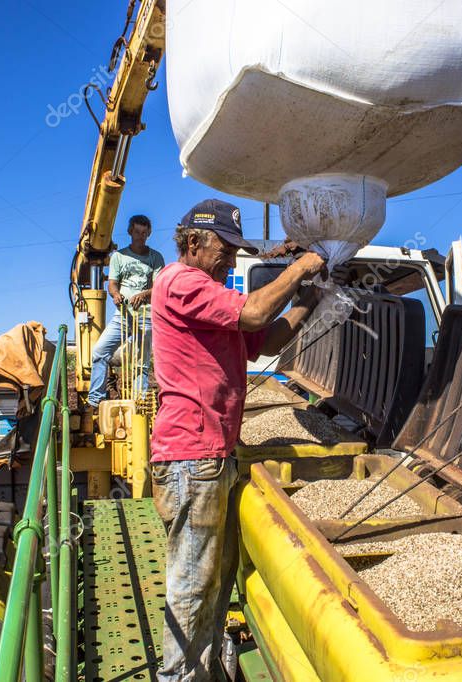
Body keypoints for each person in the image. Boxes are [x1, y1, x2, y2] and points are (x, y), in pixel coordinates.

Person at [150, 199, 327, 681]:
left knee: (212, 580)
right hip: (192, 455)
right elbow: (252, 313)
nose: (231, 260)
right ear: (192, 243)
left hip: (211, 456)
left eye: (235, 251)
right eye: (225, 249)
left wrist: (309, 297)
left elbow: (264, 340)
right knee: (193, 582)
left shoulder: (210, 297)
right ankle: (180, 677)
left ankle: (201, 671)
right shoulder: (180, 281)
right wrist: (304, 265)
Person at [88, 214, 165, 409]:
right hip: (122, 316)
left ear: (149, 234)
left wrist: (144, 294)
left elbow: (159, 287)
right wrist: (115, 295)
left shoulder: (155, 258)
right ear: (130, 231)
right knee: (99, 351)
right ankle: (96, 399)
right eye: (137, 232)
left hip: (145, 316)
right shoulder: (119, 256)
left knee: (141, 363)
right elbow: (112, 284)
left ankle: (138, 404)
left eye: (144, 233)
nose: (141, 236)